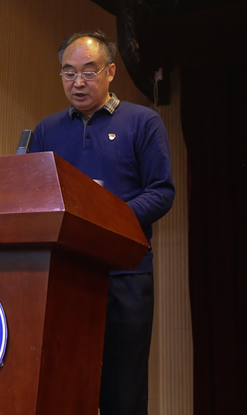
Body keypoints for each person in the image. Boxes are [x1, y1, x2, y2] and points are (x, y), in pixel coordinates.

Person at [30, 30, 175, 415]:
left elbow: (162, 191)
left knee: (123, 393)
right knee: (64, 388)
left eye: (89, 71)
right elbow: (35, 196)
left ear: (110, 72)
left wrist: (105, 215)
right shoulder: (46, 130)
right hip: (64, 278)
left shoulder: (143, 122)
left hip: (125, 276)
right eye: (68, 72)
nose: (78, 82)